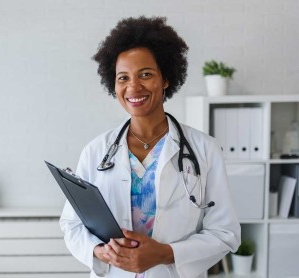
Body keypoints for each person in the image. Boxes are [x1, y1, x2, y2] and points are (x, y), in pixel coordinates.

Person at [59, 16, 241, 278]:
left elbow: (225, 233)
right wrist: (99, 251)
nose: (133, 87)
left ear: (165, 78)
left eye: (145, 74)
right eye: (123, 78)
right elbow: (72, 224)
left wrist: (166, 253)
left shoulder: (205, 150)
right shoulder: (96, 151)